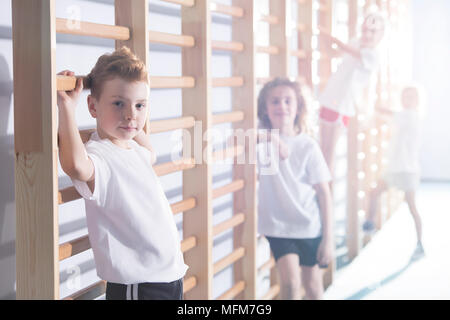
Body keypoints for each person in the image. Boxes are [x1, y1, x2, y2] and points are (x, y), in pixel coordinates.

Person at [57, 47, 188, 300]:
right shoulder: (99, 156)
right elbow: (75, 165)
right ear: (93, 107)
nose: (130, 114)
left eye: (140, 105)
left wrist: (133, 122)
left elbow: (150, 150)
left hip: (168, 276)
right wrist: (66, 107)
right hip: (138, 284)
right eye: (118, 103)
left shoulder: (135, 151)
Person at [256, 78, 334, 300]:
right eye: (275, 101)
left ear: (298, 107)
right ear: (265, 108)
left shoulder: (308, 145)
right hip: (278, 227)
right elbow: (237, 139)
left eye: (288, 101)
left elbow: (323, 193)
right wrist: (273, 138)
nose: (282, 106)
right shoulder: (261, 140)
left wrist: (327, 239)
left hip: (309, 226)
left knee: (313, 288)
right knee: (290, 285)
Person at [318, 13, 385, 177]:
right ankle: (322, 189)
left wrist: (329, 36)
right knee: (322, 149)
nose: (368, 34)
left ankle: (327, 192)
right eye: (365, 29)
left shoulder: (373, 55)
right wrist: (324, 39)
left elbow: (344, 48)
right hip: (329, 99)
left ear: (381, 34)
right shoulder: (356, 42)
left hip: (342, 105)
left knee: (330, 152)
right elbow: (334, 53)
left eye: (373, 31)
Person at [363, 85, 425, 261]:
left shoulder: (411, 116)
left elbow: (389, 114)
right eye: (405, 97)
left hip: (407, 170)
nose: (407, 100)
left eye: (411, 97)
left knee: (412, 206)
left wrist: (373, 105)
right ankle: (369, 225)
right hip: (395, 169)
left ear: (417, 101)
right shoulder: (403, 116)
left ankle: (420, 242)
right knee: (374, 193)